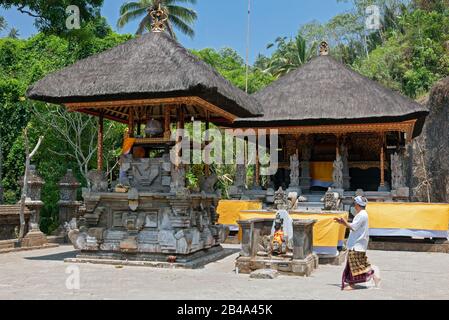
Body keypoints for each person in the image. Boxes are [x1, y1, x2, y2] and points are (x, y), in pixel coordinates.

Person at [334, 196, 381, 290]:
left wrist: (344, 222)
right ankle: (374, 275)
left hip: (357, 244)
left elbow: (353, 227)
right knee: (359, 263)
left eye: (355, 203)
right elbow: (354, 226)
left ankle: (354, 282)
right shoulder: (362, 214)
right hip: (358, 244)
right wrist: (343, 223)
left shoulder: (361, 215)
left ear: (358, 205)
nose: (354, 205)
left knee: (355, 265)